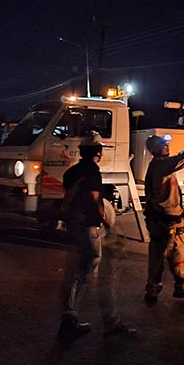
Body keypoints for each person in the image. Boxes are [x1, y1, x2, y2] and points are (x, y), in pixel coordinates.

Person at [57, 135, 135, 340]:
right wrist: (108, 222)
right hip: (88, 226)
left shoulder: (71, 172)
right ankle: (74, 317)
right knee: (89, 268)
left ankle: (70, 317)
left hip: (73, 226)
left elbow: (68, 198)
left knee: (76, 270)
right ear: (97, 152)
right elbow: (94, 198)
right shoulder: (92, 171)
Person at [143, 130, 184, 303]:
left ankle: (183, 288)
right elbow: (182, 159)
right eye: (163, 145)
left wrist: (182, 209)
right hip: (163, 221)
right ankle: (152, 291)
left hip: (170, 219)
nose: (167, 146)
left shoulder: (161, 165)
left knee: (179, 256)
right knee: (158, 259)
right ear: (155, 150)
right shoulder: (160, 165)